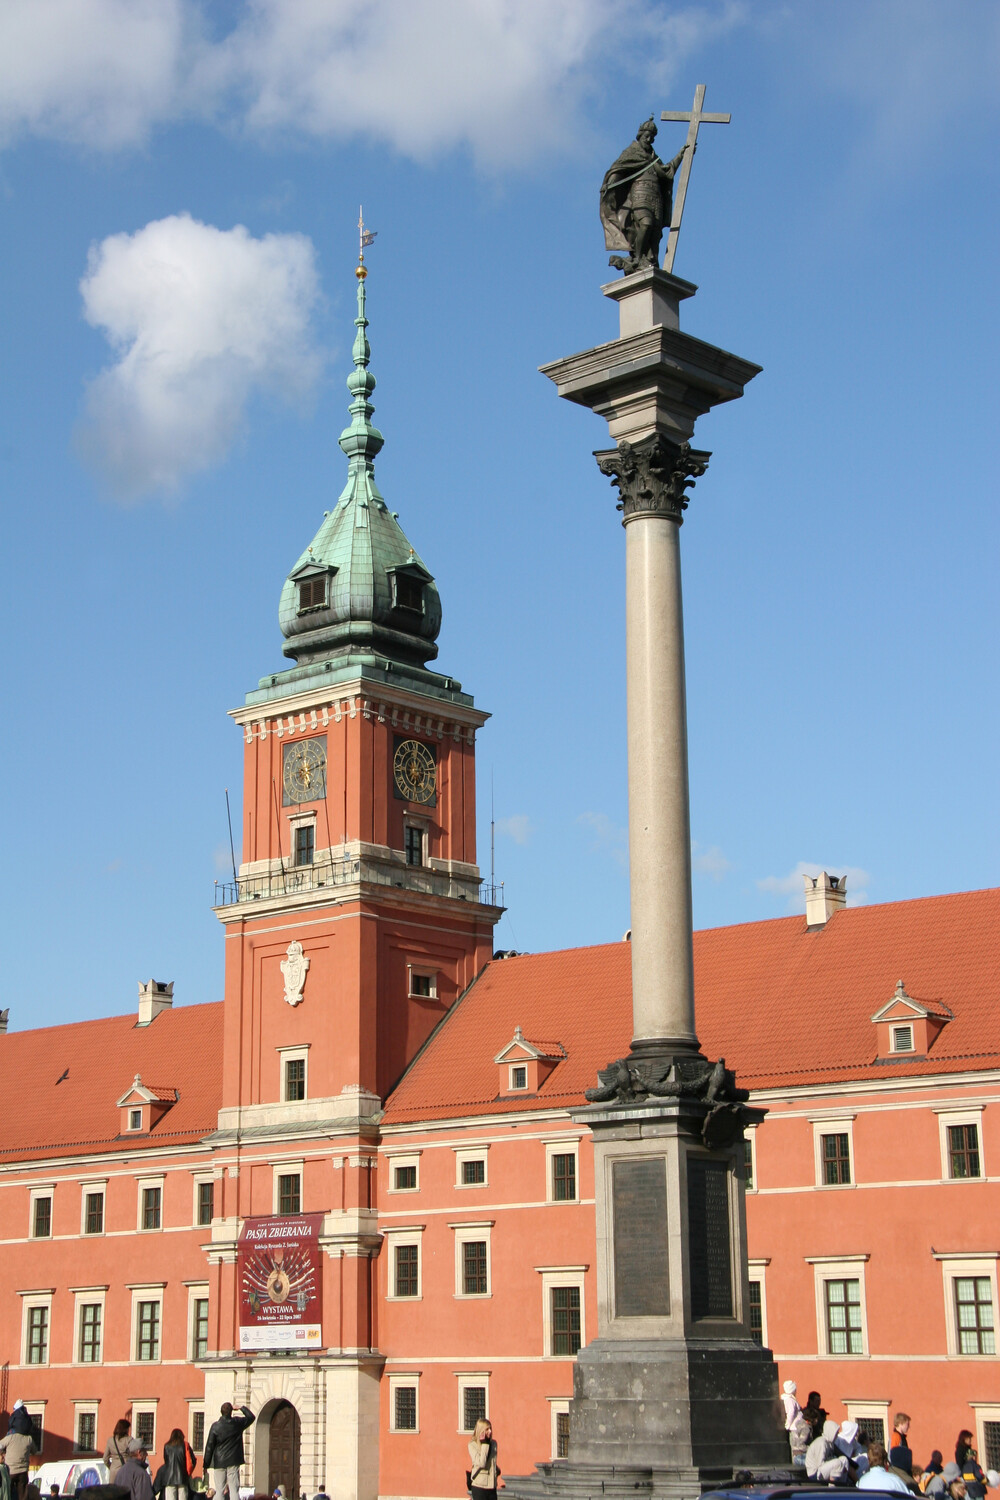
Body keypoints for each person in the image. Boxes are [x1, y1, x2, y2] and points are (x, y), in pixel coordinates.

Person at [203, 1402, 254, 1500]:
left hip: (219, 1461)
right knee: (234, 1490)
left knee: (219, 1490)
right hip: (233, 1461)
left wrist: (206, 1465)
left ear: (221, 1412)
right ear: (231, 1411)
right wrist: (241, 1408)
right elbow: (251, 1417)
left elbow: (209, 1446)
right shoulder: (237, 1423)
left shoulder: (215, 1426)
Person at [0, 1414, 38, 1500]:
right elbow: (35, 1451)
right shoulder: (29, 1439)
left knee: (8, 1491)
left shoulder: (10, 1437)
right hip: (23, 1471)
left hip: (10, 1470)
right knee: (23, 1494)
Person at [468, 1418, 502, 1500]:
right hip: (479, 1486)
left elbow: (492, 1462)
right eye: (487, 1429)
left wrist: (497, 1470)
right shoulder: (472, 1445)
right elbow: (481, 1463)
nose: (490, 1431)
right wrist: (485, 1444)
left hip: (492, 1486)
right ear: (481, 1430)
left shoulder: (493, 1443)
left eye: (490, 1428)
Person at [160, 1429, 191, 1500]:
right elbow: (192, 1460)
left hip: (169, 1477)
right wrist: (188, 1472)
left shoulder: (167, 1446)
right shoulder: (185, 1445)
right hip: (182, 1476)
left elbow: (166, 1460)